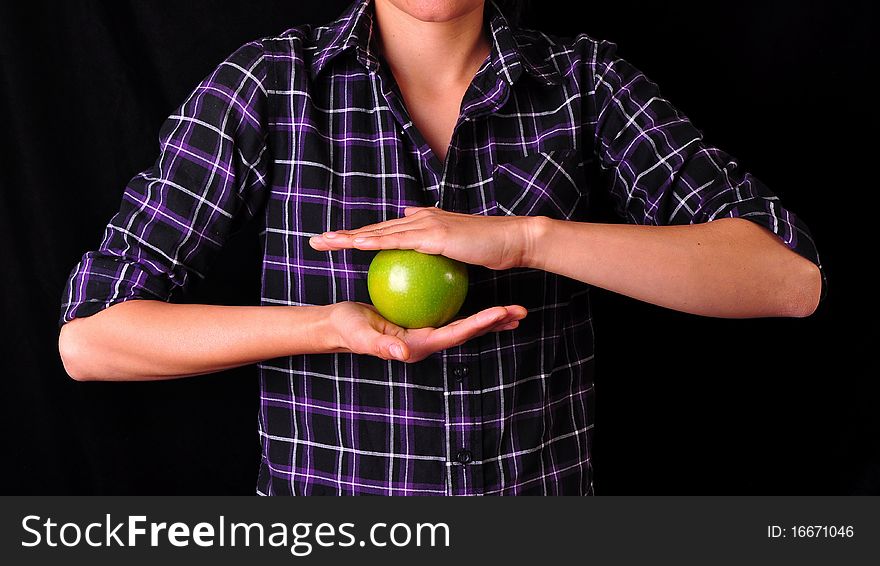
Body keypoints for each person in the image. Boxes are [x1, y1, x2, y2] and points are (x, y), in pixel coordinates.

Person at [57, 0, 824, 496]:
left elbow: (786, 281)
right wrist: (328, 327)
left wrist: (527, 240)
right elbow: (92, 340)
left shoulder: (585, 83)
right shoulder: (270, 85)